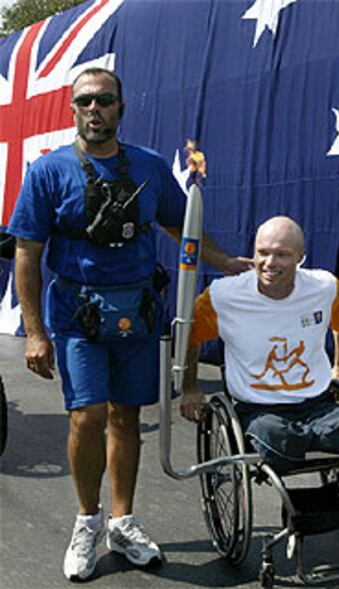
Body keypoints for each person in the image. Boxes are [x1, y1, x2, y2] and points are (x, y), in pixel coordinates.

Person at [7, 67, 252, 581]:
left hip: (138, 312)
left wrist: (226, 262)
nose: (95, 109)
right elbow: (27, 253)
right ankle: (87, 520)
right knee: (86, 415)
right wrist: (34, 331)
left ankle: (124, 521)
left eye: (105, 100)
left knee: (125, 416)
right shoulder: (47, 172)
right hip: (76, 314)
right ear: (72, 109)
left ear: (120, 107)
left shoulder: (150, 166)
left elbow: (179, 227)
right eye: (85, 101)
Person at [181, 216, 339, 471]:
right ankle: (296, 441)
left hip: (316, 402)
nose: (270, 263)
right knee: (277, 439)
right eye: (263, 253)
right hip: (258, 408)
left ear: (301, 257)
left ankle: (306, 440)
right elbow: (190, 337)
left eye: (282, 255)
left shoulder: (324, 287)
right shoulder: (223, 296)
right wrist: (189, 387)